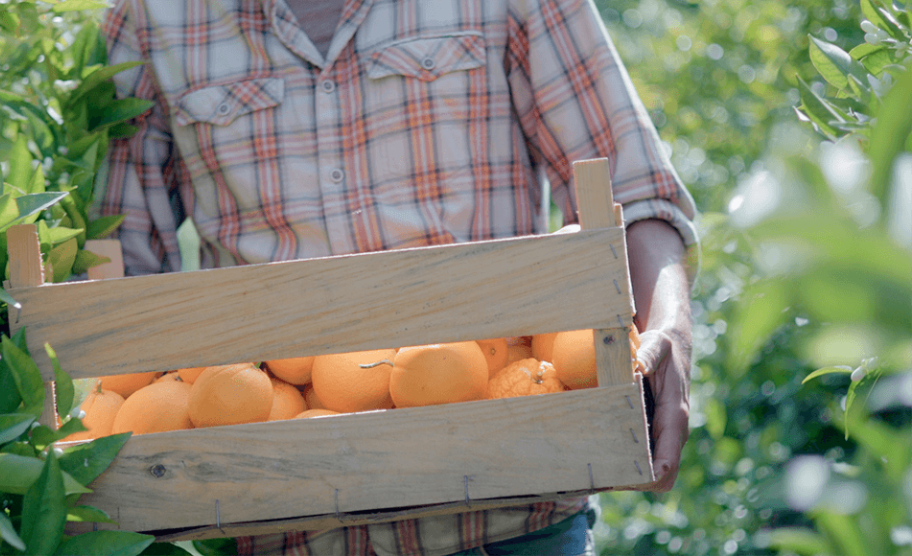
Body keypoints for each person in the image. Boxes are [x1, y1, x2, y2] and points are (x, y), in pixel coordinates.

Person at [96, 0, 697, 554]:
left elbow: (634, 193)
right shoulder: (150, 18)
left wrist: (670, 327)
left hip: (513, 518)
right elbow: (116, 283)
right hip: (280, 526)